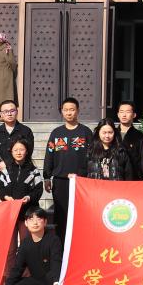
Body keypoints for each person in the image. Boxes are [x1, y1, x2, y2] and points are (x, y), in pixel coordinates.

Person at [0, 205, 65, 285]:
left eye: (39, 219)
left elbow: (56, 264)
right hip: (38, 281)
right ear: (26, 223)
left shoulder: (53, 240)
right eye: (31, 219)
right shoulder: (25, 244)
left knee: (51, 277)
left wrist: (56, 282)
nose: (35, 222)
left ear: (45, 222)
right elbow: (17, 268)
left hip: (54, 281)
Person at [44, 97, 95, 238]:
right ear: (62, 111)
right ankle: (61, 245)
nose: (68, 113)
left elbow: (92, 157)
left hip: (81, 181)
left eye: (72, 109)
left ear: (78, 111)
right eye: (65, 110)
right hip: (60, 180)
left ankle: (78, 243)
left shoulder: (85, 132)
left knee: (80, 213)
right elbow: (49, 154)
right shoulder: (56, 133)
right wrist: (47, 177)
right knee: (61, 215)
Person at [0, 100, 33, 193]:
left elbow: (28, 151)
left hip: (20, 177)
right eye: (6, 111)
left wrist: (9, 164)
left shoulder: (26, 131)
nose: (9, 114)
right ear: (1, 114)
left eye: (12, 111)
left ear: (17, 112)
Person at [0, 139, 45, 206]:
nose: (18, 153)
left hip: (28, 209)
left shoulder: (33, 171)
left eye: (22, 150)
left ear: (27, 151)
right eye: (15, 150)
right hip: (10, 207)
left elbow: (38, 189)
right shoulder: (6, 170)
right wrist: (6, 197)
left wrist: (28, 198)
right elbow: (0, 188)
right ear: (11, 152)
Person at [114, 101, 143, 180]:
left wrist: (140, 177)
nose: (124, 115)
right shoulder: (112, 134)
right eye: (121, 112)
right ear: (118, 114)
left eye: (128, 112)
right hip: (113, 178)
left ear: (134, 115)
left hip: (133, 179)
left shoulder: (140, 137)